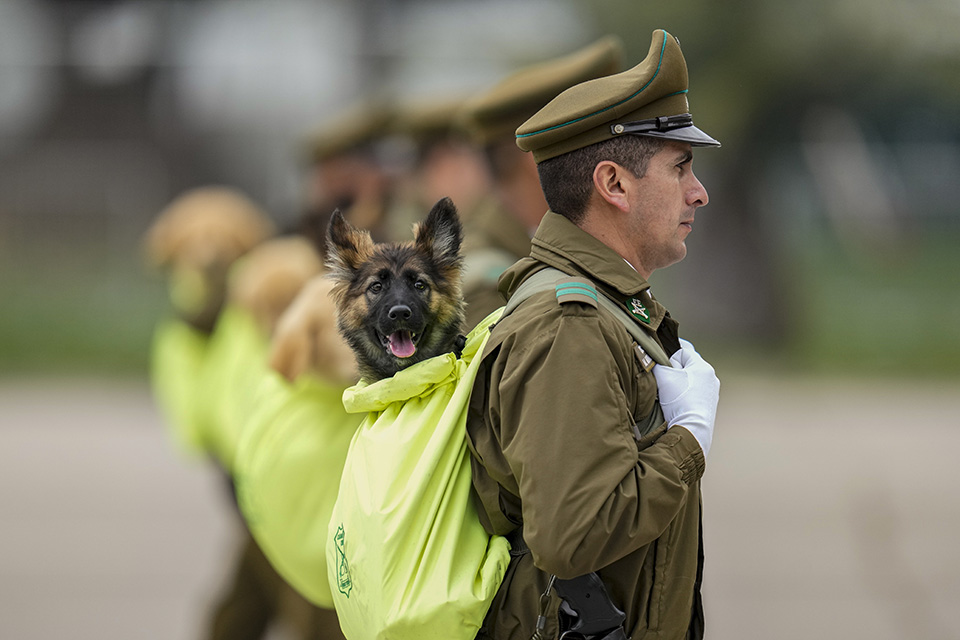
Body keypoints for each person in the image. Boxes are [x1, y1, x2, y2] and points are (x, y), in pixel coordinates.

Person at [465, 29, 721, 640]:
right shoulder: (567, 325)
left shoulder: (600, 305)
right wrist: (688, 441)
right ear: (614, 185)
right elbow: (574, 535)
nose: (699, 192)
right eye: (680, 168)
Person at [455, 36, 622, 329]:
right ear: (541, 157)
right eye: (593, 143)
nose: (613, 158)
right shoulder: (488, 288)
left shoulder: (544, 260)